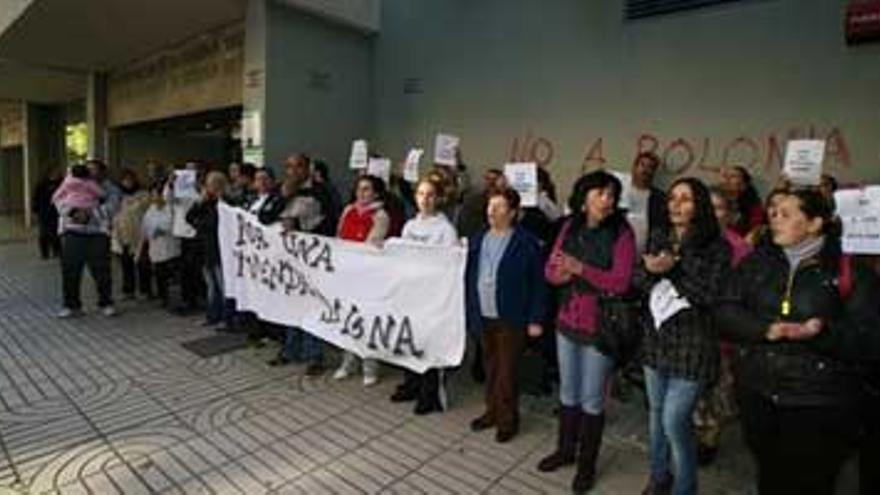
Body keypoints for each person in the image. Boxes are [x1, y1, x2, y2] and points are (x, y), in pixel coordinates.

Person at [714, 189, 880, 495]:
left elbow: (869, 341)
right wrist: (766, 330)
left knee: (811, 481)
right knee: (770, 474)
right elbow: (724, 310)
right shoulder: (757, 262)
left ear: (815, 223)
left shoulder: (850, 272)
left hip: (818, 403)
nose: (774, 219)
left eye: (786, 214)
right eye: (773, 212)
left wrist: (822, 334)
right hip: (759, 393)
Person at [538, 171, 636, 493]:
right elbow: (550, 269)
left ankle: (586, 465)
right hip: (567, 320)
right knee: (568, 393)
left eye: (611, 195)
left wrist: (581, 269)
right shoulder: (569, 226)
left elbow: (620, 282)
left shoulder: (622, 233)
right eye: (601, 194)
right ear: (584, 198)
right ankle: (565, 450)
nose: (607, 201)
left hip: (600, 328)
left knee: (592, 399)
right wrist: (560, 275)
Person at [639, 178, 731, 495]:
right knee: (655, 417)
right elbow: (638, 283)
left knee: (674, 422)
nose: (676, 205)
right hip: (656, 343)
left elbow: (709, 294)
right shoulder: (659, 236)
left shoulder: (717, 247)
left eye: (686, 199)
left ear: (699, 205)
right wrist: (650, 270)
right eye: (673, 198)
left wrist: (672, 270)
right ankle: (658, 477)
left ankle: (685, 487)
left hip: (693, 347)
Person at [466, 187, 547, 443]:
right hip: (483, 314)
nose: (492, 210)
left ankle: (507, 420)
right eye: (491, 205)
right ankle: (492, 411)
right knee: (490, 368)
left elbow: (538, 284)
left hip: (511, 317)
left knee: (506, 372)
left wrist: (536, 318)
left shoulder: (526, 242)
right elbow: (469, 277)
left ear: (513, 213)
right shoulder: (479, 238)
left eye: (499, 206)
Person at [691, 187, 754, 466]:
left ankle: (709, 440)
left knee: (717, 392)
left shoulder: (740, 249)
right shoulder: (692, 241)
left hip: (722, 335)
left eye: (718, 208)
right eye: (707, 206)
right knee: (694, 391)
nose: (711, 213)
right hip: (692, 330)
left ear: (731, 215)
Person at [389, 178, 459, 414]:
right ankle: (411, 384)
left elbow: (448, 266)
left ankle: (429, 394)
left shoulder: (445, 229)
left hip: (432, 297)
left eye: (430, 195)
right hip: (411, 294)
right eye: (420, 194)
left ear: (438, 198)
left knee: (428, 345)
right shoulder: (410, 226)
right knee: (409, 340)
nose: (425, 200)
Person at [266, 154, 332, 376]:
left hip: (313, 260)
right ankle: (290, 350)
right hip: (287, 260)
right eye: (288, 167)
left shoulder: (322, 190)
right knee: (291, 306)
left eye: (297, 167)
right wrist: (283, 197)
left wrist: (306, 227)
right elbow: (264, 216)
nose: (292, 171)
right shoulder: (280, 189)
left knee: (313, 307)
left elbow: (333, 219)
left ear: (307, 168)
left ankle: (315, 356)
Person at [333, 175, 391, 386]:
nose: (362, 193)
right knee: (347, 318)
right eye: (359, 189)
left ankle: (370, 365)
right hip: (346, 273)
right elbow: (339, 236)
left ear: (375, 193)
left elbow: (372, 244)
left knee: (366, 320)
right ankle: (348, 361)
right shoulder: (348, 210)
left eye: (367, 189)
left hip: (367, 275)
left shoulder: (380, 215)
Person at [54, 159, 122, 318]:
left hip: (97, 234)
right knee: (70, 270)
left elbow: (113, 206)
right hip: (72, 232)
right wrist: (73, 213)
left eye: (95, 170)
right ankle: (71, 305)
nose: (91, 172)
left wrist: (90, 213)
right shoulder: (72, 181)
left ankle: (106, 303)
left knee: (101, 270)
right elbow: (59, 199)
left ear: (103, 172)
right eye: (88, 169)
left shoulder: (109, 188)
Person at [186, 172, 228, 326]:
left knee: (222, 285)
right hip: (205, 249)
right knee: (211, 285)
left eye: (210, 184)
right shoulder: (206, 202)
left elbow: (213, 223)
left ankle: (225, 317)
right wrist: (200, 202)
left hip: (219, 250)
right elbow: (189, 217)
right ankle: (212, 315)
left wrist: (200, 223)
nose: (208, 188)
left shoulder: (224, 203)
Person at [112, 168, 152, 300]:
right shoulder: (117, 195)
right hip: (123, 235)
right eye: (125, 180)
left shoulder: (144, 194)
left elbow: (143, 209)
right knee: (126, 264)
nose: (128, 182)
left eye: (130, 179)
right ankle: (128, 290)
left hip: (140, 234)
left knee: (143, 264)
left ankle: (145, 290)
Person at [140, 182, 180, 307]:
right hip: (156, 247)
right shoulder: (150, 210)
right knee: (159, 273)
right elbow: (145, 227)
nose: (155, 198)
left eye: (157, 195)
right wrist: (152, 231)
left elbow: (172, 223)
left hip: (170, 246)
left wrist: (162, 229)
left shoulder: (170, 208)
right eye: (152, 195)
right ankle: (163, 298)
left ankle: (174, 299)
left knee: (170, 274)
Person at [627, 152, 668, 254]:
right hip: (617, 256)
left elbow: (662, 230)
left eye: (650, 167)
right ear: (634, 167)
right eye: (642, 165)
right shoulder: (620, 192)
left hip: (646, 258)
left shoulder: (660, 198)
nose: (645, 170)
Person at [721, 166, 764, 239]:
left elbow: (756, 227)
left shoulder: (753, 204)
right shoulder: (718, 200)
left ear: (744, 184)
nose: (727, 179)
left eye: (733, 176)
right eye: (726, 176)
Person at [32, 167, 62, 259]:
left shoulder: (61, 183)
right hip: (44, 211)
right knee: (43, 233)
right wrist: (35, 210)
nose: (56, 174)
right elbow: (36, 197)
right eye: (54, 172)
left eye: (57, 172)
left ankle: (57, 250)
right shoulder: (42, 184)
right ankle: (45, 253)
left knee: (55, 232)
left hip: (56, 211)